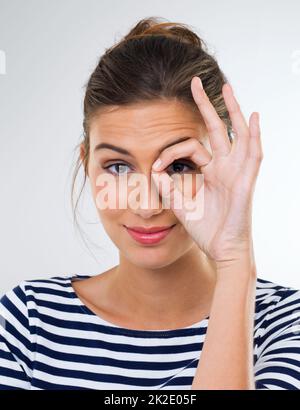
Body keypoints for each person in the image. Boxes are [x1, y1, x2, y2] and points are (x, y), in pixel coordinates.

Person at [1, 16, 300, 390]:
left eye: (178, 165)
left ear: (226, 164)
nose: (147, 205)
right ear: (87, 165)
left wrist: (235, 261)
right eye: (119, 166)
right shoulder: (29, 323)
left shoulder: (287, 323)